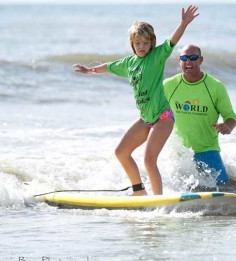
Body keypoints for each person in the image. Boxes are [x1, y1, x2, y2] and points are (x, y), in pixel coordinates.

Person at [73, 6, 199, 196]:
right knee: (121, 152)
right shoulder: (129, 63)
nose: (141, 46)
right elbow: (108, 66)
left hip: (163, 117)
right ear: (132, 43)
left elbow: (172, 41)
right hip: (146, 119)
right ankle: (139, 191)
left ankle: (158, 200)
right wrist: (89, 70)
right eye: (137, 42)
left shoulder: (156, 57)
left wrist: (183, 23)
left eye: (145, 43)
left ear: (151, 44)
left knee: (149, 160)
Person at [163, 44, 236, 187]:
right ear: (179, 61)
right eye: (184, 58)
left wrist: (228, 126)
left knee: (222, 186)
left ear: (200, 60)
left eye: (193, 57)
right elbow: (153, 111)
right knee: (175, 188)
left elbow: (231, 117)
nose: (188, 62)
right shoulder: (168, 85)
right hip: (180, 152)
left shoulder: (215, 87)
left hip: (207, 149)